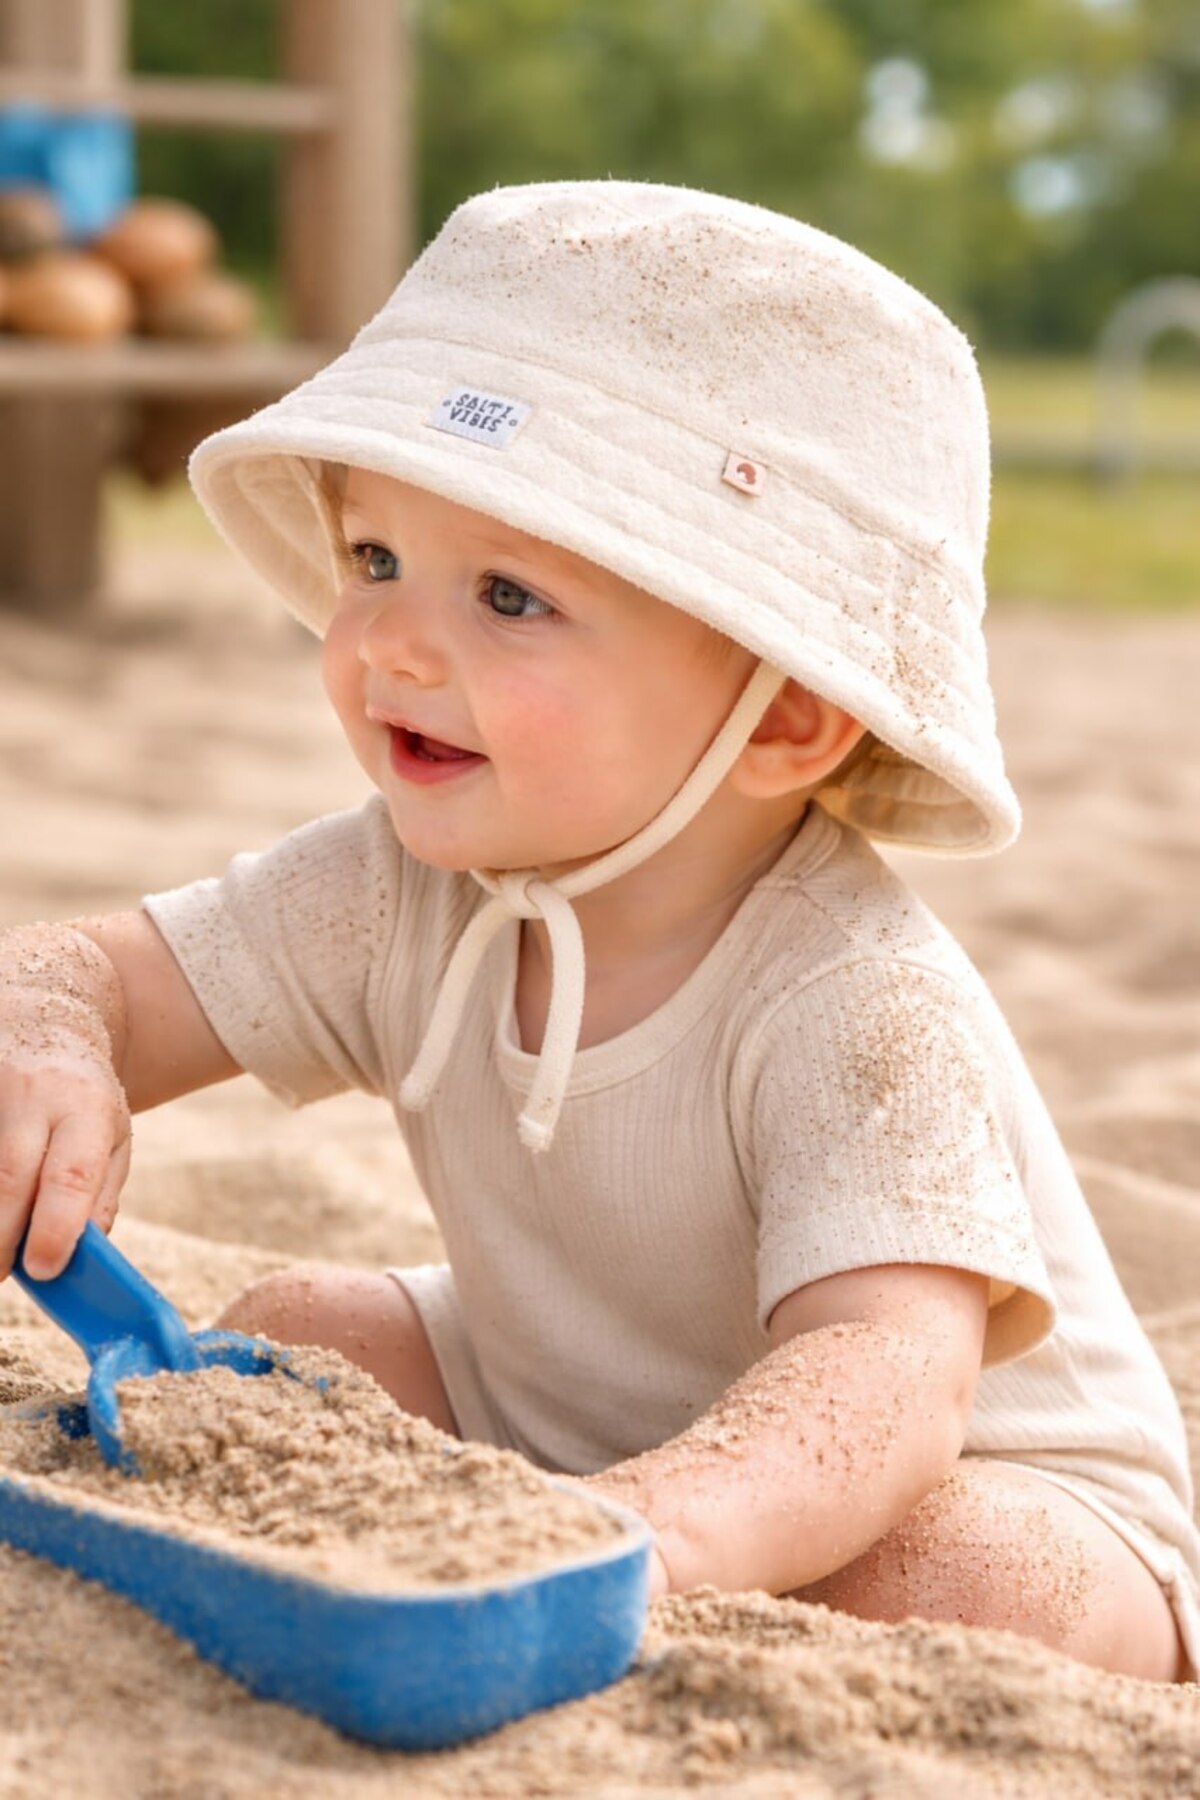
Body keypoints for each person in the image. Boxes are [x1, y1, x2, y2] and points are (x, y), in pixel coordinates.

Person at [1, 182, 1195, 1682]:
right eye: (375, 560)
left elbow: (885, 1382)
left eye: (510, 595)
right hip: (559, 1412)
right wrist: (49, 1038)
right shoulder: (393, 887)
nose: (391, 644)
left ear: (794, 718)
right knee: (305, 1326)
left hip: (971, 1479)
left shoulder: (855, 996)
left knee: (956, 1572)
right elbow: (92, 975)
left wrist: (647, 1527)